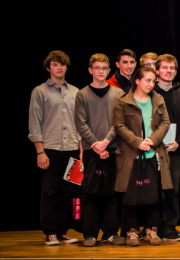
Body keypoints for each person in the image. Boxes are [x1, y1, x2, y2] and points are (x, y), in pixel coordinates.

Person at [112, 67, 173, 247]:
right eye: (147, 80)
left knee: (153, 193)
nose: (151, 84)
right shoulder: (122, 101)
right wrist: (137, 142)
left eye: (153, 81)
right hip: (131, 155)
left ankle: (151, 230)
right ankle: (131, 231)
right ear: (137, 80)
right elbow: (119, 125)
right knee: (131, 194)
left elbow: (165, 122)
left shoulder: (158, 99)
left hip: (153, 154)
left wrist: (152, 140)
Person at [29, 51, 81, 246]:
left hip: (72, 148)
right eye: (55, 64)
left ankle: (62, 231)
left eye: (63, 64)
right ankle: (50, 231)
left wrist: (80, 150)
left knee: (67, 190)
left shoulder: (75, 91)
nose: (59, 67)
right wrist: (40, 151)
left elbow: (80, 122)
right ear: (48, 67)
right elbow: (35, 124)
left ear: (67, 67)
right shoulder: (40, 91)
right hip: (50, 148)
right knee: (50, 190)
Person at [74, 53, 126, 247]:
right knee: (90, 192)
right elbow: (80, 124)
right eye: (97, 68)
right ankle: (90, 234)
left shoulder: (118, 94)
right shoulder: (82, 94)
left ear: (108, 70)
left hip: (112, 149)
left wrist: (105, 142)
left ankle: (111, 233)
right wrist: (97, 145)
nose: (101, 71)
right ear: (90, 70)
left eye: (104, 68)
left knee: (112, 193)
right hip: (91, 151)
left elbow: (119, 122)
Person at [152, 54, 180, 241]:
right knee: (154, 190)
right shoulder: (150, 93)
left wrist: (179, 141)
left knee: (173, 190)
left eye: (172, 68)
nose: (168, 71)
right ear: (157, 71)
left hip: (176, 150)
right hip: (153, 150)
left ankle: (170, 226)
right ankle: (153, 226)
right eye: (164, 67)